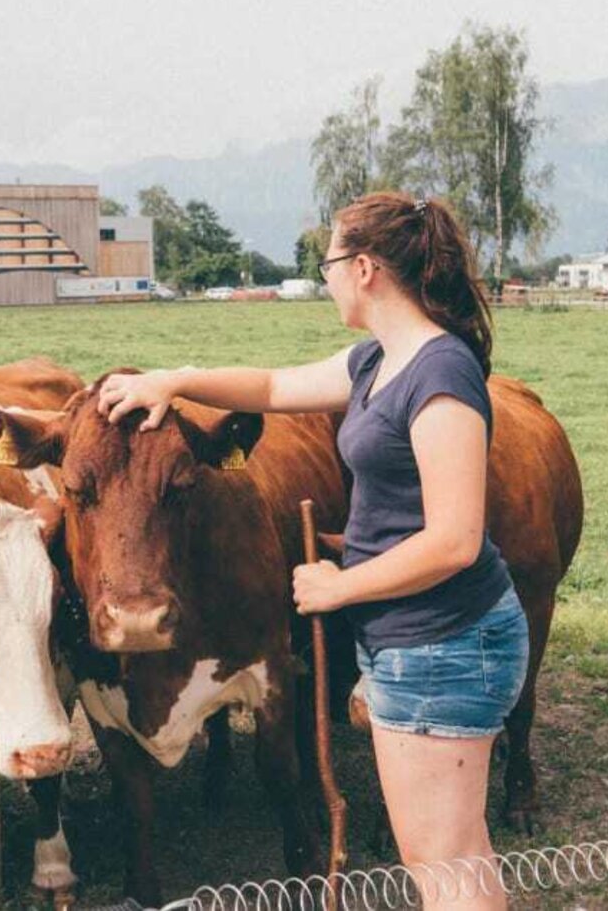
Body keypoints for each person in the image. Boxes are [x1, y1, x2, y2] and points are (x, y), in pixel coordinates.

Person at [97, 192, 528, 910]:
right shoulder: (378, 362)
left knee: (441, 857)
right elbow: (269, 387)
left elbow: (454, 538)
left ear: (364, 268)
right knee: (454, 849)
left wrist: (341, 586)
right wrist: (170, 380)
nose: (323, 275)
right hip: (421, 640)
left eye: (326, 261)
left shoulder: (439, 374)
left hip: (445, 644)